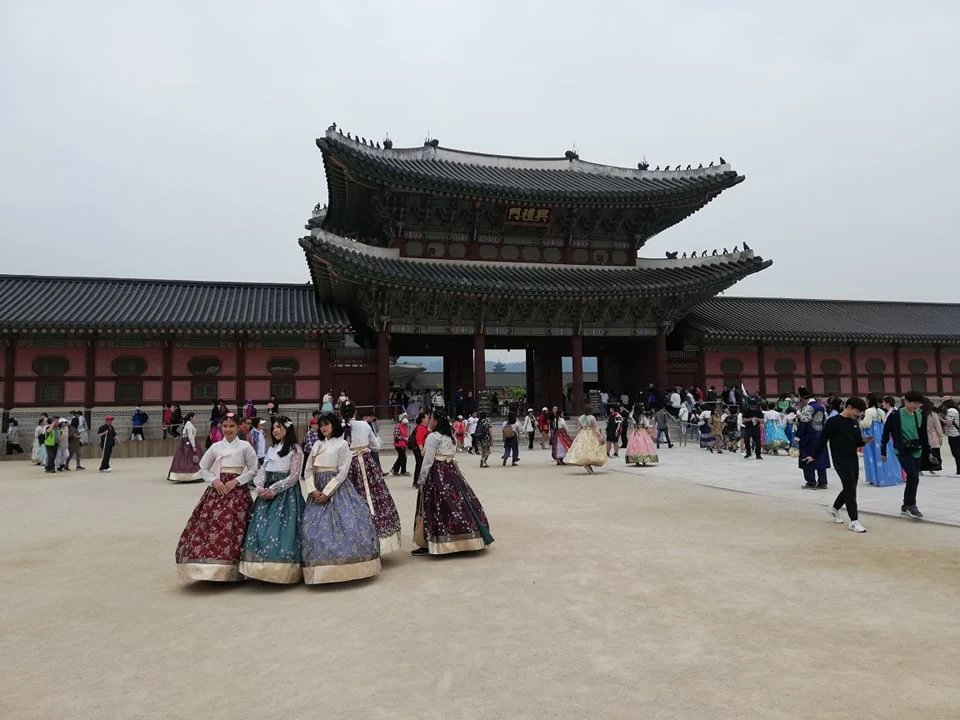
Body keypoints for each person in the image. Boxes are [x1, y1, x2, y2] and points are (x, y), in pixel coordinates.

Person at [175, 413, 258, 582]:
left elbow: (254, 469)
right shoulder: (215, 447)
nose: (228, 429)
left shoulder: (245, 447)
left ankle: (234, 569)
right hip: (218, 490)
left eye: (231, 426)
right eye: (225, 426)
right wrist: (214, 481)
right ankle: (208, 567)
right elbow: (203, 468)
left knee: (236, 527)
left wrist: (237, 481)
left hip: (237, 492)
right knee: (211, 527)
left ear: (237, 427)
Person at [300, 412, 380, 583]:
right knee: (312, 529)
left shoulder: (343, 444)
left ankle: (349, 567)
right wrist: (313, 490)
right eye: (321, 425)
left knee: (348, 524)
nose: (323, 427)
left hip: (337, 488)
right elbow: (307, 470)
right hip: (317, 489)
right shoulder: (316, 445)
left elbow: (343, 471)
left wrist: (328, 492)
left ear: (334, 425)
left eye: (327, 424)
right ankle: (318, 571)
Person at [411, 411, 494, 556]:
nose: (429, 421)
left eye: (431, 419)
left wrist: (421, 480)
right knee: (459, 502)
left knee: (434, 506)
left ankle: (432, 541)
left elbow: (428, 461)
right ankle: (468, 536)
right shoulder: (450, 437)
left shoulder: (433, 437)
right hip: (450, 472)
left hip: (436, 473)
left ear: (436, 421)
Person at [240, 417, 305, 584]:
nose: (275, 430)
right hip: (266, 494)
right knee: (260, 529)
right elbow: (263, 470)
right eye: (274, 427)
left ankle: (282, 571)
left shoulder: (296, 449)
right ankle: (258, 569)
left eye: (279, 427)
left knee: (282, 531)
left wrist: (274, 489)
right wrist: (260, 486)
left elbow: (294, 476)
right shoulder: (272, 448)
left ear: (287, 429)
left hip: (285, 495)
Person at [342, 401, 402, 554]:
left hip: (347, 465)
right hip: (366, 463)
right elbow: (376, 446)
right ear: (356, 412)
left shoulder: (338, 426)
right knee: (375, 498)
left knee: (349, 498)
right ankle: (380, 538)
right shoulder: (363, 425)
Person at [805, 397, 868, 533]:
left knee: (850, 487)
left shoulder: (854, 423)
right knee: (850, 487)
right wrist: (814, 456)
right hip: (840, 459)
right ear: (849, 407)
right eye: (857, 411)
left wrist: (865, 441)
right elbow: (822, 440)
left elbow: (857, 442)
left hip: (852, 458)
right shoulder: (833, 422)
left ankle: (834, 508)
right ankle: (854, 521)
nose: (858, 414)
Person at [881, 390, 929, 520]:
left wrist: (928, 451)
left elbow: (923, 435)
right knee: (913, 475)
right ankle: (911, 505)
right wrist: (883, 451)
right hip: (902, 451)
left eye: (919, 403)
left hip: (916, 450)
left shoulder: (920, 415)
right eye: (914, 403)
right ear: (906, 401)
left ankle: (905, 504)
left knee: (914, 478)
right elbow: (885, 433)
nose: (916, 406)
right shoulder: (895, 415)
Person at [797, 397, 829, 489]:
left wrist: (798, 436)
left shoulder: (807, 408)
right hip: (820, 435)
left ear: (804, 399)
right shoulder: (821, 407)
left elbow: (803, 423)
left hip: (808, 437)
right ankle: (823, 482)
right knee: (820, 458)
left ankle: (811, 481)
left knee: (806, 457)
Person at [167, 412, 202, 482]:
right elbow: (190, 436)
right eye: (195, 417)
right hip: (188, 443)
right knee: (189, 458)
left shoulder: (187, 425)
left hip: (185, 443)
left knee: (183, 459)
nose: (195, 419)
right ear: (191, 418)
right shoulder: (189, 425)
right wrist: (194, 446)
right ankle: (193, 475)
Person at [860, 395, 887, 486]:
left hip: (871, 434)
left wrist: (860, 422)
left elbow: (867, 424)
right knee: (879, 454)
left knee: (871, 456)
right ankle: (882, 476)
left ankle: (873, 477)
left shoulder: (868, 411)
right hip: (880, 433)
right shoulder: (881, 411)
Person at [922, 402, 944, 476]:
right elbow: (938, 426)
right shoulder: (932, 414)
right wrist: (940, 437)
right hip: (933, 435)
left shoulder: (919, 414)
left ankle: (921, 468)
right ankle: (933, 468)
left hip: (923, 436)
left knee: (924, 453)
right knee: (935, 453)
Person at [942, 399, 960, 476]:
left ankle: (959, 470)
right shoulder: (955, 410)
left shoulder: (951, 411)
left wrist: (940, 418)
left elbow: (948, 423)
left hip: (954, 434)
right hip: (956, 434)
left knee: (956, 453)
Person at [412, 412, 430, 485]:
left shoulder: (424, 427)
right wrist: (421, 450)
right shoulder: (420, 428)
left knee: (420, 464)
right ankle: (416, 481)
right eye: (426, 417)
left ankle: (418, 480)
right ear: (422, 419)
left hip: (421, 448)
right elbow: (419, 440)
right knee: (420, 464)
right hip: (419, 449)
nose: (427, 419)